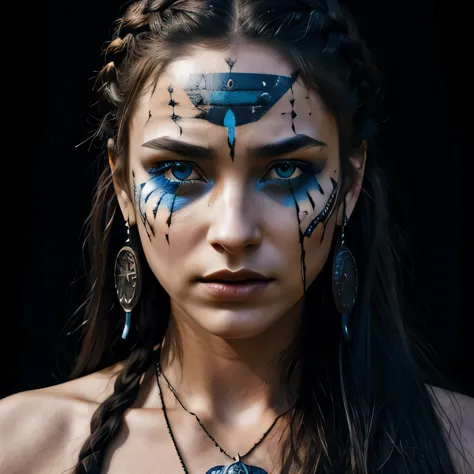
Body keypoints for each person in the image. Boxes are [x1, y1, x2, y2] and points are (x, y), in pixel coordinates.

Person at [1, 0, 473, 473]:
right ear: (123, 184)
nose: (234, 232)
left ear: (350, 183)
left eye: (286, 170)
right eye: (180, 169)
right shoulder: (21, 447)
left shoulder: (461, 446)